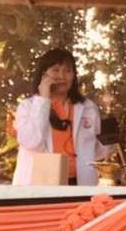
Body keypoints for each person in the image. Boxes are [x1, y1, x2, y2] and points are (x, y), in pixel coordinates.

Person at [13, 48, 114, 186]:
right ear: (43, 75)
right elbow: (32, 142)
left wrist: (110, 140)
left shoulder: (88, 108)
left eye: (68, 71)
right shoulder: (28, 107)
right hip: (39, 185)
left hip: (79, 184)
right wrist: (43, 100)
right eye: (55, 70)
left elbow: (96, 152)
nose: (62, 76)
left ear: (74, 75)